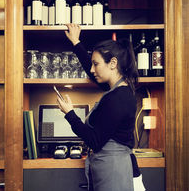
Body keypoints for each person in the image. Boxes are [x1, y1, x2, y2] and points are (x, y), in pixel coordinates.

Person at [56, 23, 145, 191]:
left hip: (114, 170)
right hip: (110, 167)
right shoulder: (117, 90)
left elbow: (94, 141)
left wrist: (70, 113)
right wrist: (76, 42)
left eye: (95, 64)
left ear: (112, 63)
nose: (92, 69)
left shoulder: (118, 97)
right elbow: (92, 73)